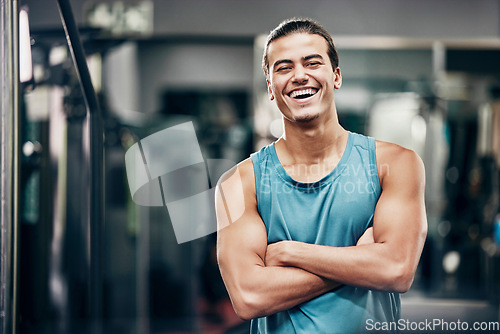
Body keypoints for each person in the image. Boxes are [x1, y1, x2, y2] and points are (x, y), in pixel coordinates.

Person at [215, 17, 427, 334]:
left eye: (312, 63)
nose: (299, 76)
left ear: (336, 76)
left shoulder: (396, 164)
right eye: (284, 68)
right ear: (271, 88)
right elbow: (249, 296)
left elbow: (397, 270)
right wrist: (361, 260)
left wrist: (291, 252)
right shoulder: (238, 183)